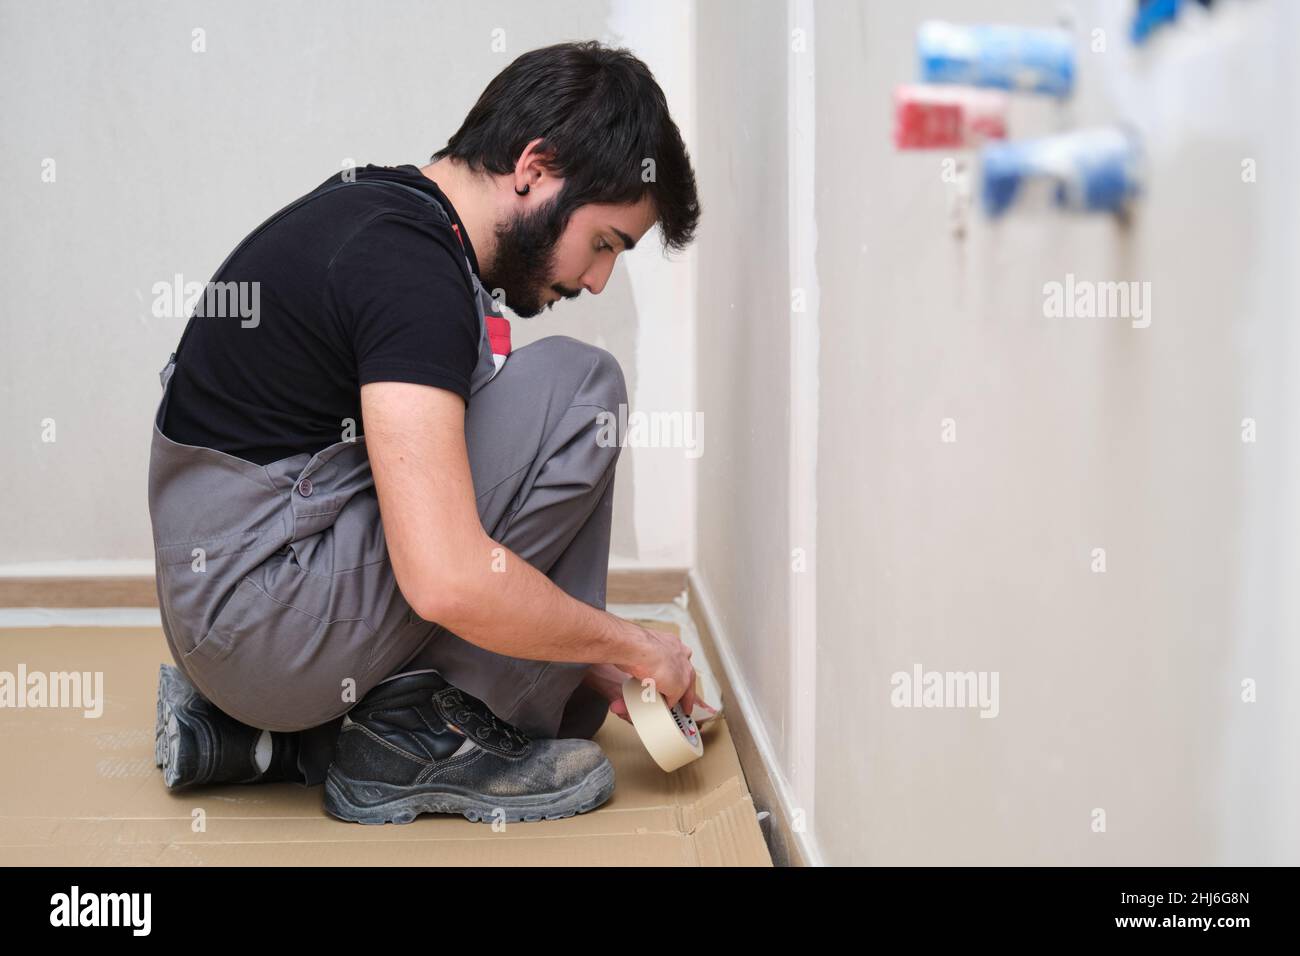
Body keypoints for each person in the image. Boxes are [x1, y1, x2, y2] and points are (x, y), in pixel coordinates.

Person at [147, 40, 701, 825]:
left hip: (234, 620)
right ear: (535, 167)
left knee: (523, 407)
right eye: (605, 241)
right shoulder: (411, 271)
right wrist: (630, 646)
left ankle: (279, 738)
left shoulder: (387, 219)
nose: (597, 278)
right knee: (582, 391)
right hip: (259, 622)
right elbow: (445, 577)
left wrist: (587, 663)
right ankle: (429, 740)